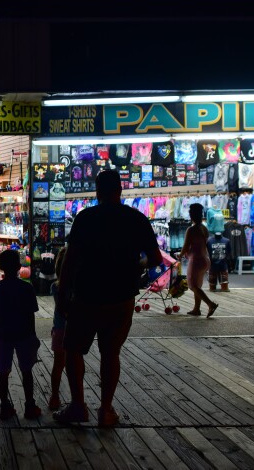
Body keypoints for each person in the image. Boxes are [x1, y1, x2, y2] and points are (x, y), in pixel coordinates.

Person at [54, 170, 162, 427]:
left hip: (86, 295)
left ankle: (78, 406)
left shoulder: (86, 218)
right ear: (120, 190)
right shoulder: (136, 219)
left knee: (73, 351)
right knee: (111, 353)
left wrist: (63, 293)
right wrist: (138, 265)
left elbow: (70, 260)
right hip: (121, 296)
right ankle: (106, 410)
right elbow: (155, 258)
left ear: (97, 191)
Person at [0, 249, 43, 420]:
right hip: (24, 333)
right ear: (20, 267)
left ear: (1, 267)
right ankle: (29, 405)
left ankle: (5, 406)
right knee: (26, 371)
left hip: (3, 334)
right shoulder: (27, 289)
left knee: (3, 372)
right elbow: (31, 315)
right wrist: (33, 336)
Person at [180, 203, 219, 318]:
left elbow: (186, 246)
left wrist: (180, 255)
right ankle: (196, 309)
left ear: (191, 215)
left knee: (193, 286)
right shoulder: (204, 228)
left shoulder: (191, 229)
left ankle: (210, 304)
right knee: (197, 286)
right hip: (205, 260)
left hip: (196, 260)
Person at [48, 246, 68, 411]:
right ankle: (77, 397)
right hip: (74, 329)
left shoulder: (55, 287)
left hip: (59, 329)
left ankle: (54, 396)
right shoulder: (78, 288)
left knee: (58, 365)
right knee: (76, 363)